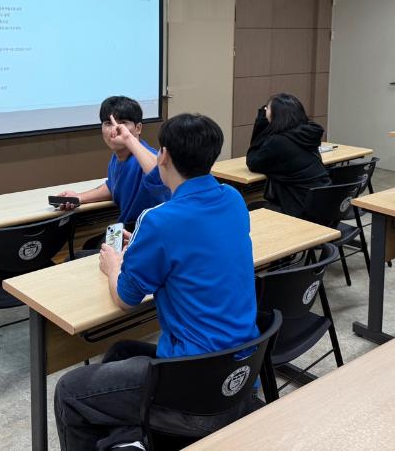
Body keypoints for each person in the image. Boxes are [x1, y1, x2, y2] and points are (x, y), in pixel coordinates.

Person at [54, 113, 259, 450]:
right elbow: (193, 246)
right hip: (240, 368)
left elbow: (125, 299)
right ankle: (131, 439)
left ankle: (141, 434)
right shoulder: (233, 199)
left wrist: (113, 266)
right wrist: (144, 246)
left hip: (193, 384)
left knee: (69, 390)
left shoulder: (159, 221)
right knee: (121, 350)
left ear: (163, 155)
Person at [59, 96, 170, 236]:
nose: (115, 129)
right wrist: (78, 197)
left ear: (138, 128)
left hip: (149, 233)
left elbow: (161, 174)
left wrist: (128, 139)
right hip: (127, 228)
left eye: (123, 123)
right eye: (108, 123)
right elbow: (113, 186)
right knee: (89, 244)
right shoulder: (117, 158)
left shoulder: (145, 158)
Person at [245, 93, 330, 217]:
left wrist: (261, 123)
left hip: (299, 208)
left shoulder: (278, 142)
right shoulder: (306, 134)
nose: (265, 110)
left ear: (276, 115)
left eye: (267, 108)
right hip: (322, 204)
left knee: (250, 207)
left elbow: (253, 162)